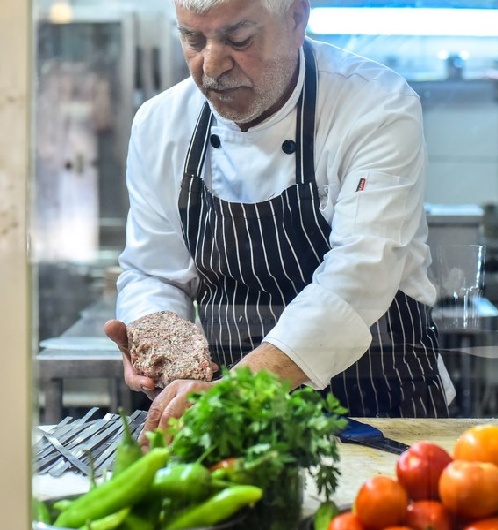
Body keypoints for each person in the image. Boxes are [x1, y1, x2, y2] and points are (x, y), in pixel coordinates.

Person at [104, 0, 455, 439]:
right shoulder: (161, 123)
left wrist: (236, 392)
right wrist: (154, 340)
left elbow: (361, 274)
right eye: (193, 39)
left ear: (296, 19)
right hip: (231, 420)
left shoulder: (375, 105)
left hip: (383, 405)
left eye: (238, 39)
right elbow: (154, 272)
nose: (211, 66)